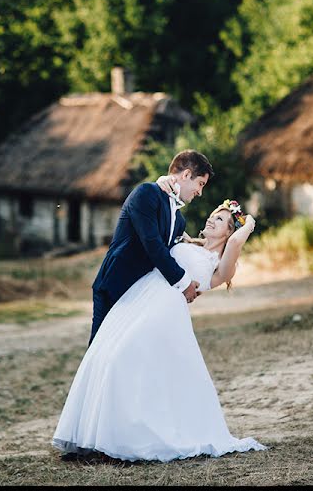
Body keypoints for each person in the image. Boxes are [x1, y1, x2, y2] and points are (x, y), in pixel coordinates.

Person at [52, 198, 267, 463]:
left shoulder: (219, 264)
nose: (212, 219)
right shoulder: (186, 242)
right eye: (213, 215)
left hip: (164, 313)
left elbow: (235, 243)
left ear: (229, 231)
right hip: (138, 300)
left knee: (121, 358)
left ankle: (121, 442)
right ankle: (95, 441)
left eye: (220, 219)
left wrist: (248, 223)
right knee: (105, 356)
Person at [87, 149, 213, 346]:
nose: (200, 191)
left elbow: (172, 253)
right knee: (100, 352)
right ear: (187, 174)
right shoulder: (146, 194)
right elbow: (153, 246)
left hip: (142, 294)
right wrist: (184, 282)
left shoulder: (179, 220)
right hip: (116, 287)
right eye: (200, 184)